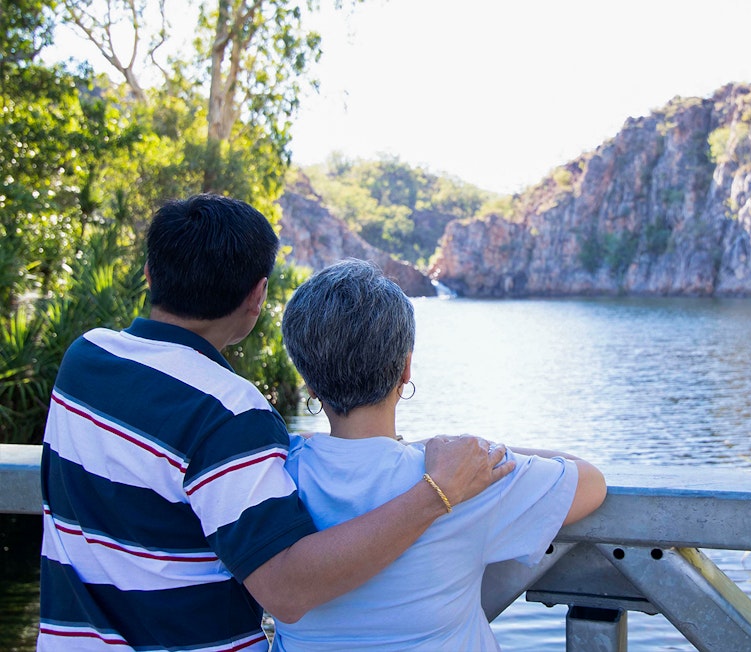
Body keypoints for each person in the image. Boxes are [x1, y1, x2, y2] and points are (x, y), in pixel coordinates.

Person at [38, 195, 514, 651]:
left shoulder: (86, 358)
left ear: (149, 274)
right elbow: (286, 590)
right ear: (257, 297)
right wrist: (437, 492)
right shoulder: (227, 410)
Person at [272, 258, 607, 651]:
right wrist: (473, 449)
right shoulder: (463, 481)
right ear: (406, 368)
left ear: (308, 381)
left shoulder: (270, 473)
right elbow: (589, 481)